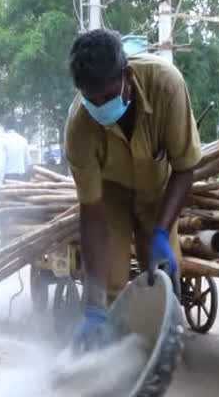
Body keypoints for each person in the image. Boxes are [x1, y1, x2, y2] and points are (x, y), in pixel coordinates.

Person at [64, 29, 202, 352]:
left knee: (162, 279)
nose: (99, 107)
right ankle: (108, 357)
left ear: (126, 75)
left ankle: (157, 355)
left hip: (158, 192)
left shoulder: (166, 86)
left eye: (107, 97)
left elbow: (185, 168)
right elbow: (92, 214)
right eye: (91, 99)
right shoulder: (79, 128)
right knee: (110, 280)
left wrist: (160, 233)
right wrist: (94, 304)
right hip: (109, 196)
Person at [0, 116, 32, 194]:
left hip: (8, 179)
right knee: (21, 203)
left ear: (5, 126)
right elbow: (28, 162)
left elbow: (0, 163)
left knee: (10, 203)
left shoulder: (3, 140)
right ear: (16, 125)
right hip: (21, 179)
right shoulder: (23, 140)